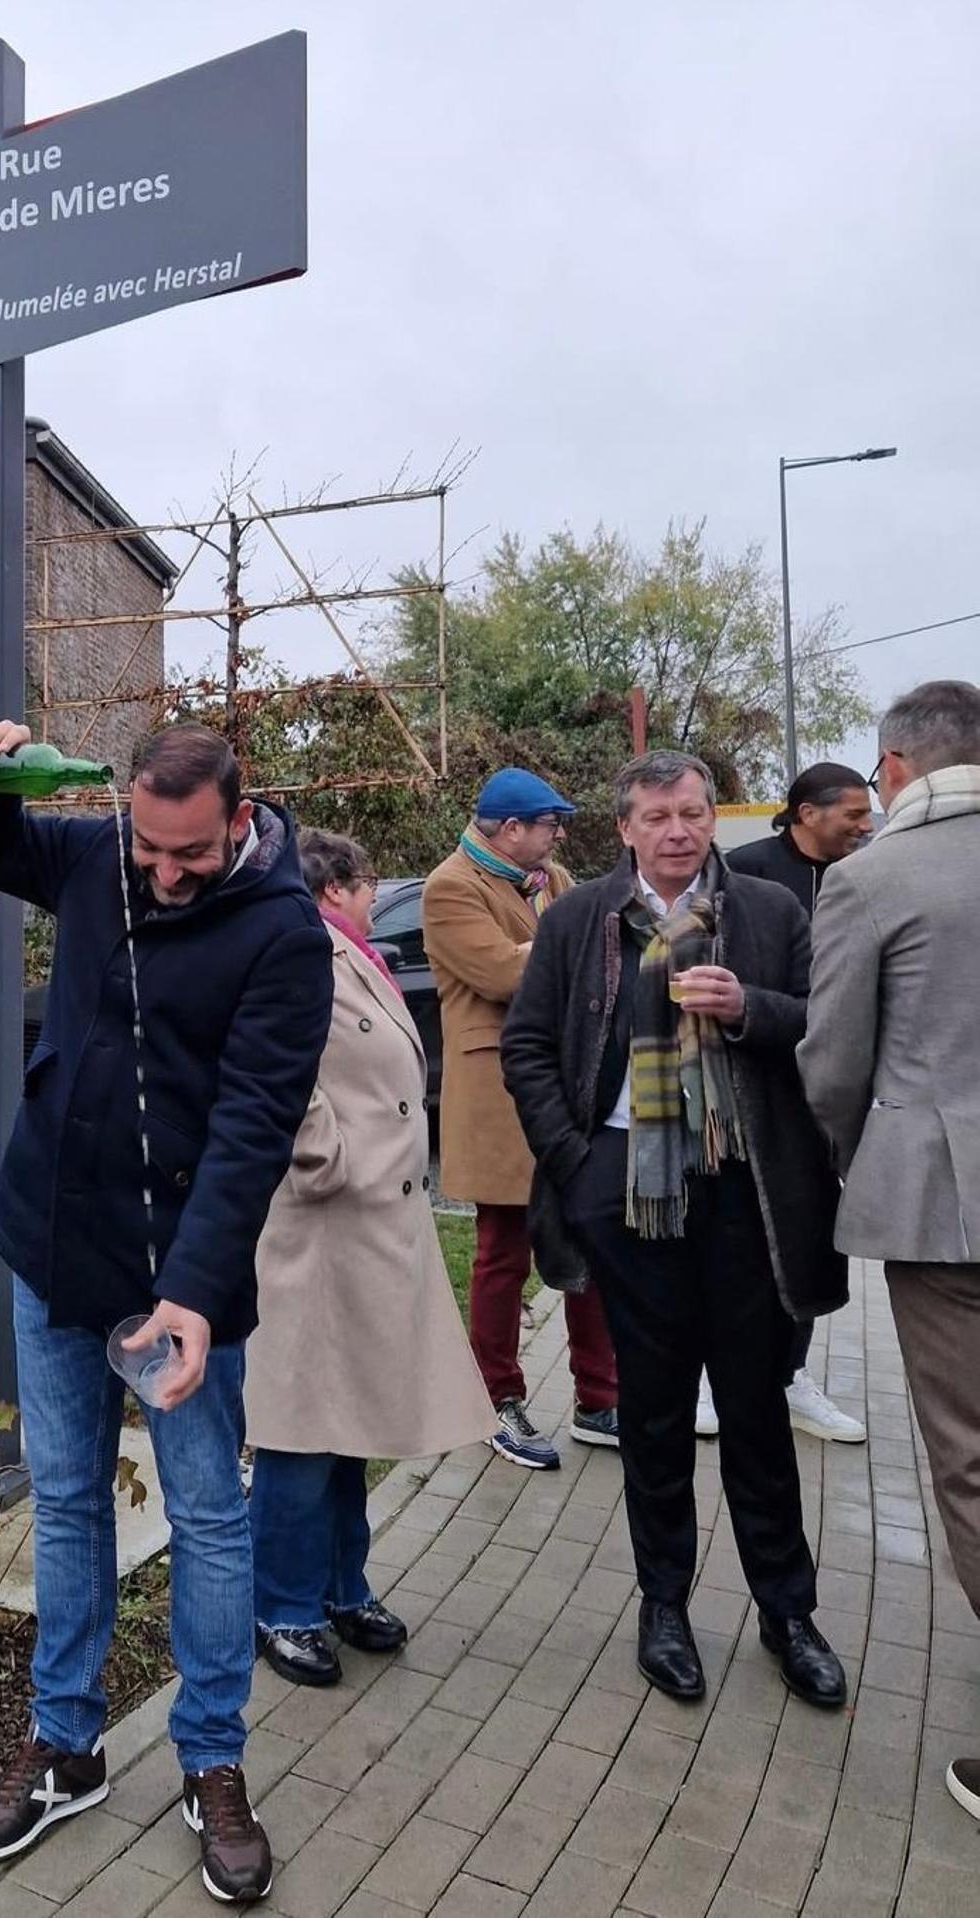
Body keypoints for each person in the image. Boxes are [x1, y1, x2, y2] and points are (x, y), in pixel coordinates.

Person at [0, 718, 333, 1907]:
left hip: (179, 1283)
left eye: (190, 855)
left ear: (240, 812)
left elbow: (252, 1127)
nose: (164, 874)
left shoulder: (282, 933)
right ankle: (66, 1745)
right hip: (50, 1244)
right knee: (65, 1501)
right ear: (127, 811)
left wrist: (195, 1288)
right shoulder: (100, 855)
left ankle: (212, 1761)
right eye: (149, 847)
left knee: (210, 1515)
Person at [502, 749, 847, 1709]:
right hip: (624, 1192)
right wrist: (575, 1165)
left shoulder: (771, 914)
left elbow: (823, 1025)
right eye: (657, 817)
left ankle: (787, 1612)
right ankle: (664, 1606)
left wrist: (750, 1009)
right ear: (625, 829)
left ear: (712, 820)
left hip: (745, 1192)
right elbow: (527, 1046)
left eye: (693, 813)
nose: (679, 831)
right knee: (651, 1414)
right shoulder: (578, 918)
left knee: (755, 1411)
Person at [245, 829, 495, 1687]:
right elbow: (278, 1063)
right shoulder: (304, 952)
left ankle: (343, 1588)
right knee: (301, 1424)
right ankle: (280, 1605)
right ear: (337, 887)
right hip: (320, 1224)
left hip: (371, 1225)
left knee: (350, 1422)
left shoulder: (353, 953)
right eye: (363, 884)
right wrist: (323, 1158)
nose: (372, 894)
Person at [797, 681, 980, 1815]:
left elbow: (833, 1065)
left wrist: (861, 1151)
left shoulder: (874, 880)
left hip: (948, 1208)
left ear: (896, 767)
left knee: (968, 1455)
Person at [423, 767, 618, 1470]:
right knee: (503, 1253)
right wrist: (575, 945)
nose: (559, 835)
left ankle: (601, 1398)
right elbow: (505, 975)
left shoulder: (553, 877)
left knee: (588, 1244)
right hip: (498, 1095)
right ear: (511, 829)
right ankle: (495, 1397)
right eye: (550, 823)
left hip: (565, 1093)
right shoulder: (450, 888)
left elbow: (603, 948)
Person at [712, 762, 874, 1446]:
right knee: (733, 1232)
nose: (865, 826)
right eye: (853, 814)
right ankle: (709, 1376)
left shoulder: (865, 875)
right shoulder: (745, 871)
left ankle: (792, 1374)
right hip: (750, 1083)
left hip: (829, 1083)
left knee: (809, 1228)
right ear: (807, 813)